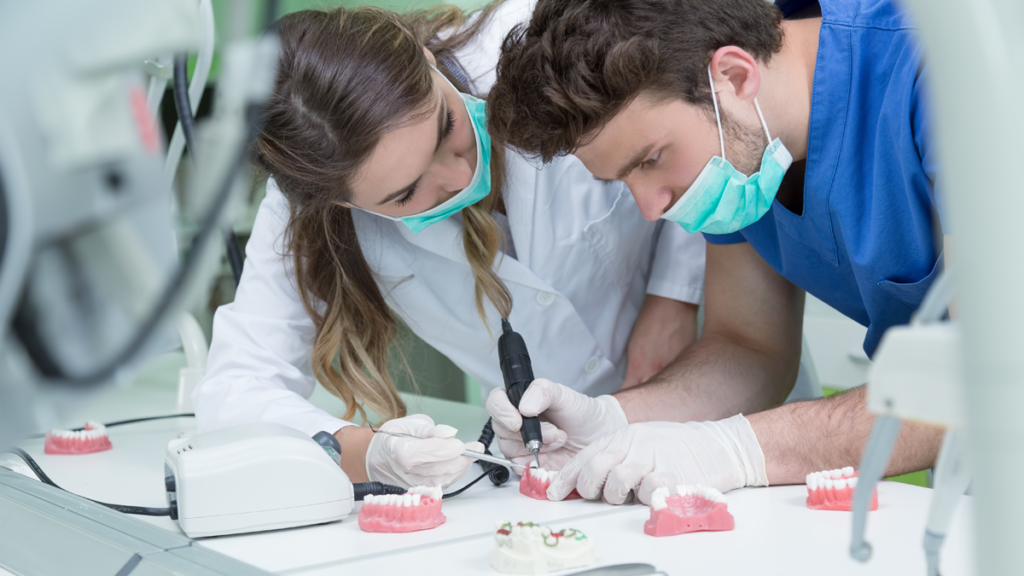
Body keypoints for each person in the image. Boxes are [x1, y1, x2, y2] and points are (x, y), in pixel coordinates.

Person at [192, 0, 708, 490]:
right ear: (343, 205)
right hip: (571, 463)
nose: (460, 174)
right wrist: (367, 452)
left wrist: (675, 291)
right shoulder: (307, 206)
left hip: (719, 373)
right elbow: (234, 392)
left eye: (446, 126)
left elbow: (707, 98)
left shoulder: (542, 35)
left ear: (424, 57)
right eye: (407, 193)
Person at [484, 0, 946, 503]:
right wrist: (611, 421)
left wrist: (735, 449)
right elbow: (750, 347)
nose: (651, 208)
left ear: (732, 74)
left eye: (652, 160)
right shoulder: (747, 152)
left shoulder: (943, 72)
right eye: (623, 180)